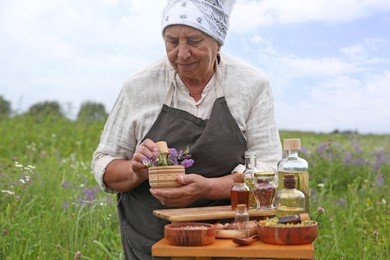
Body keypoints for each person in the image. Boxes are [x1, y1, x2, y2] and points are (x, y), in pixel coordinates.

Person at [91, 0, 282, 259]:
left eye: (193, 41)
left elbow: (270, 170)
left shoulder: (250, 84)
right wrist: (135, 171)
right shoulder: (139, 86)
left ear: (218, 42)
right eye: (172, 42)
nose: (181, 54)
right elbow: (105, 166)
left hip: (230, 234)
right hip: (152, 237)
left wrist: (209, 188)